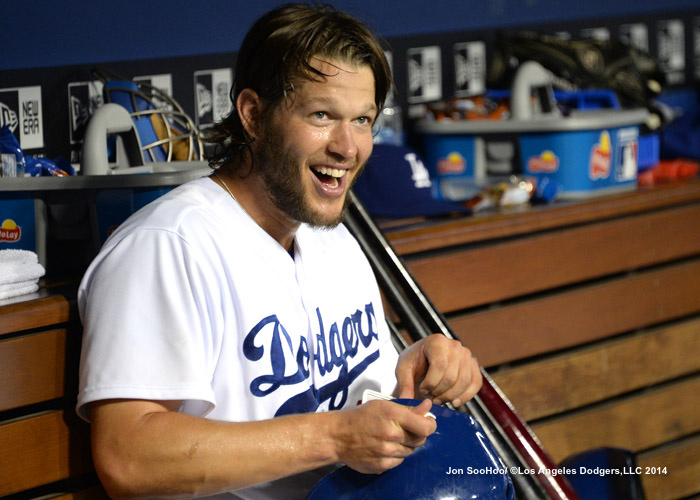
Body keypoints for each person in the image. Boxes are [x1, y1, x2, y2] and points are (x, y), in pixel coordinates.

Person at [76, 4, 482, 499]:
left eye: (362, 120)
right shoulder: (167, 246)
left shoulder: (331, 239)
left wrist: (415, 371)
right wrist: (334, 437)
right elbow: (128, 457)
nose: (348, 146)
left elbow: (362, 405)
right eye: (321, 115)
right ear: (253, 115)